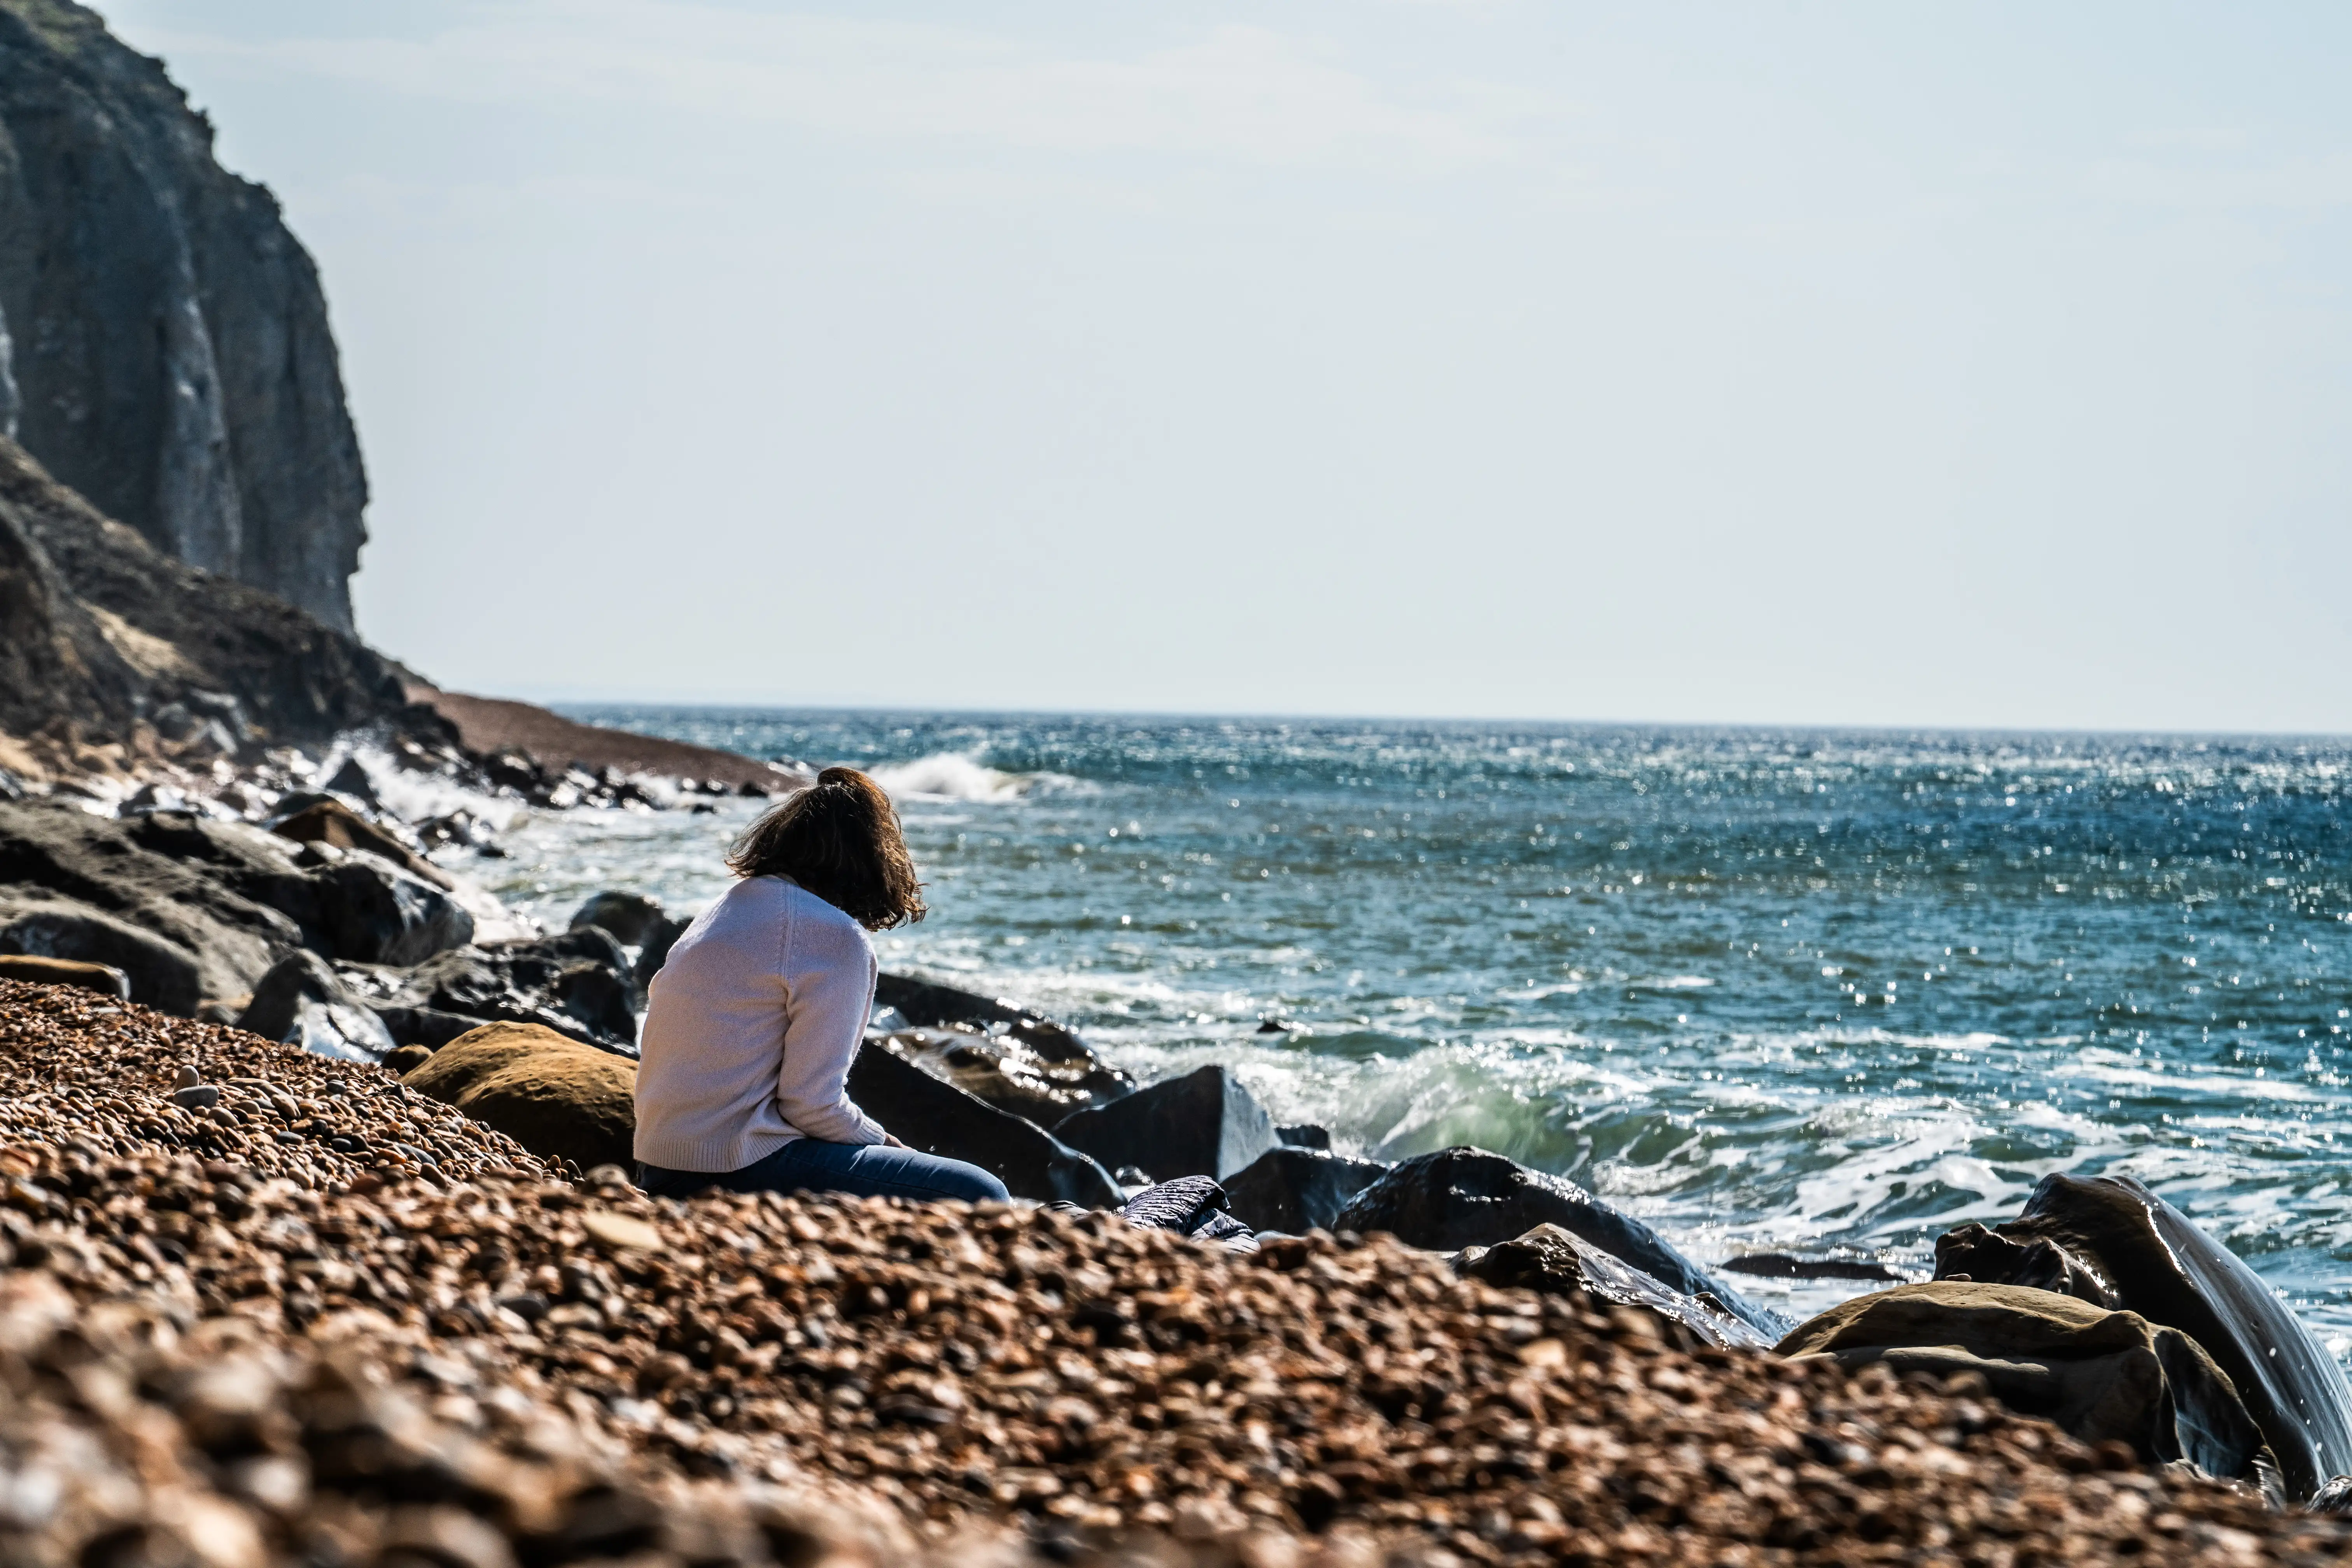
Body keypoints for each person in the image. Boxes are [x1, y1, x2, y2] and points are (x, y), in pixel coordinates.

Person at [632, 766, 1010, 1205]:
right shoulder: (831, 935)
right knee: (982, 1191)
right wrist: (887, 1144)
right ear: (871, 861)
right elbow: (811, 1105)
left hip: (658, 1159)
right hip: (732, 1164)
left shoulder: (724, 911)